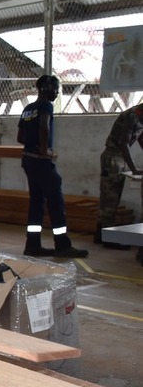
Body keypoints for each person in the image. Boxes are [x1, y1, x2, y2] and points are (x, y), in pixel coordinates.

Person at [17, 74, 88, 258]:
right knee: (56, 203)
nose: (57, 92)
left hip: (28, 160)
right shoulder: (45, 106)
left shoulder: (28, 108)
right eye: (56, 89)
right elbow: (44, 127)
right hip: (41, 161)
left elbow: (20, 137)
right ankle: (62, 245)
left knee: (36, 203)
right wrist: (44, 150)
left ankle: (32, 245)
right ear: (46, 88)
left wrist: (33, 146)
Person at [95, 103, 143, 250]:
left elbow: (141, 139)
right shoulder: (133, 116)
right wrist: (134, 169)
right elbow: (124, 144)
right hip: (113, 157)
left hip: (119, 158)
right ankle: (107, 238)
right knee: (110, 197)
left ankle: (100, 234)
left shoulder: (140, 116)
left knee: (111, 197)